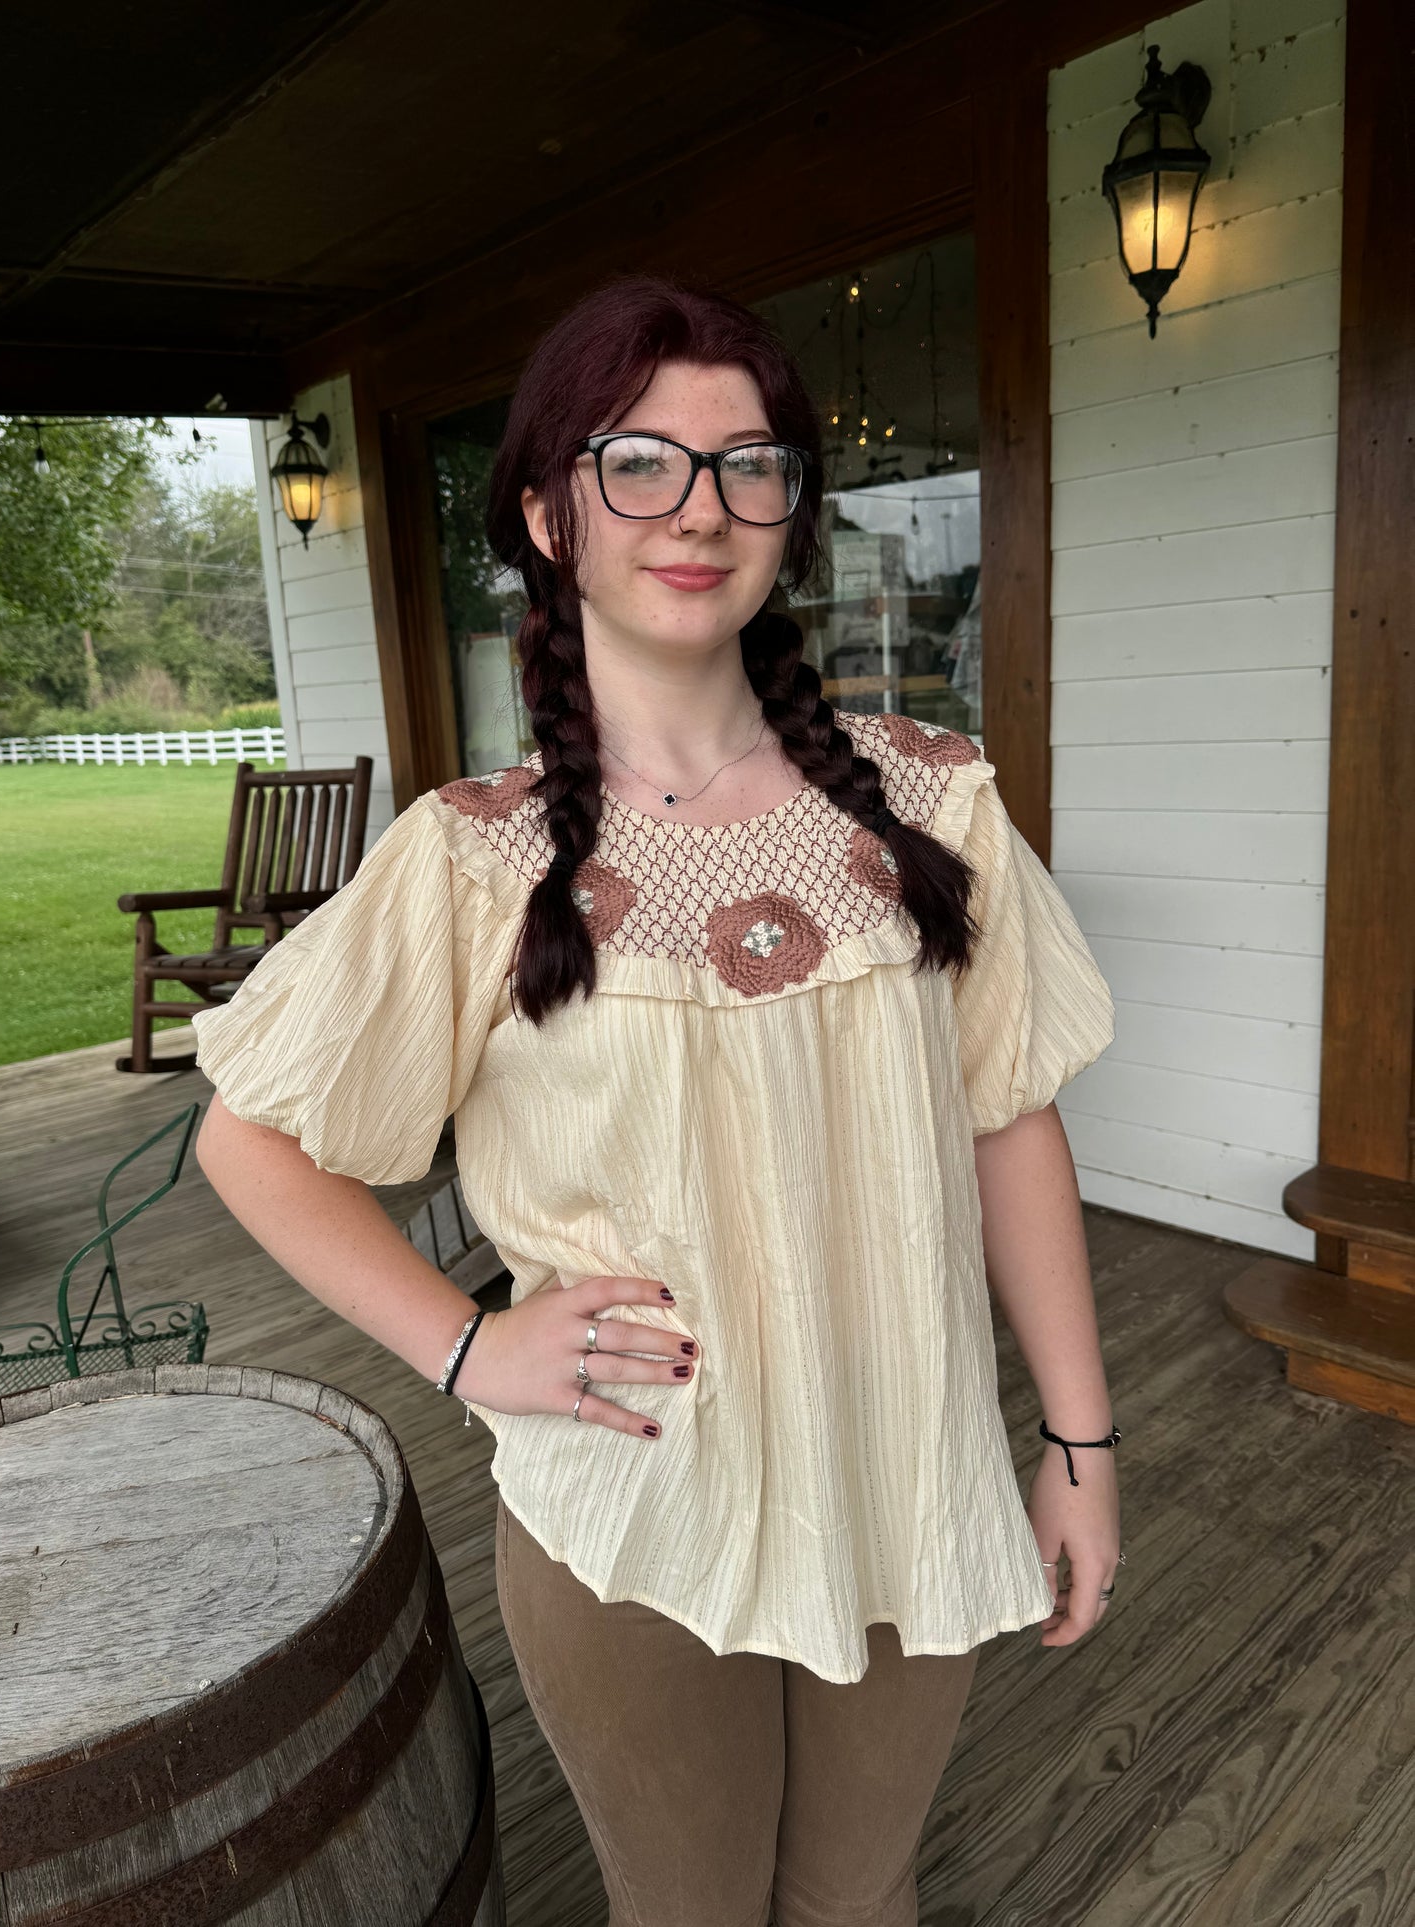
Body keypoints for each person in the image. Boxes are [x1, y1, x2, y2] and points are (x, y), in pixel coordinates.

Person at [192, 272, 1122, 1927]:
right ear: (551, 513)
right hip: (639, 1496)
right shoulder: (473, 853)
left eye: (746, 465)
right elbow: (248, 1136)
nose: (699, 509)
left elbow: (1007, 1118)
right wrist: (468, 1346)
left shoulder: (931, 798)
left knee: (859, 1902)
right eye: (640, 463)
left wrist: (1075, 1437)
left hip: (905, 1466)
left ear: (789, 512)